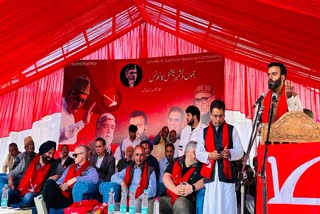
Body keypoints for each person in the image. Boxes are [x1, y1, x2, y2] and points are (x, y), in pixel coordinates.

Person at [196, 100, 244, 214]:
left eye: (220, 116)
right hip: (211, 177)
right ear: (210, 115)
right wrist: (209, 155)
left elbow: (240, 151)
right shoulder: (204, 131)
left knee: (227, 207)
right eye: (215, 116)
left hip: (227, 176)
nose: (218, 119)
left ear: (224, 115)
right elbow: (198, 152)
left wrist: (230, 153)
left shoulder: (232, 130)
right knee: (211, 207)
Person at [149, 141, 204, 214]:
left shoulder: (201, 165)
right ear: (187, 152)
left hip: (187, 199)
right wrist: (174, 189)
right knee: (154, 204)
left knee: (180, 203)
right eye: (194, 152)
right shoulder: (177, 161)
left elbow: (206, 179)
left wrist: (193, 188)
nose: (197, 155)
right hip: (171, 197)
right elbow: (166, 176)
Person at [7, 140, 64, 208]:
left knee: (28, 197)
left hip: (36, 193)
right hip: (20, 190)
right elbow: (14, 172)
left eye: (53, 153)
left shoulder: (55, 165)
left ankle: (17, 209)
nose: (51, 156)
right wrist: (10, 181)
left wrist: (57, 176)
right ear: (43, 152)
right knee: (7, 192)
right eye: (49, 153)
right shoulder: (29, 159)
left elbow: (66, 174)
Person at [42, 145, 99, 209]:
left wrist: (76, 179)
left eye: (75, 155)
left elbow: (95, 179)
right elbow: (60, 181)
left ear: (83, 155)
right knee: (50, 182)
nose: (74, 157)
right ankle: (45, 207)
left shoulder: (90, 169)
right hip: (61, 193)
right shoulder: (70, 167)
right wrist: (61, 186)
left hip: (70, 198)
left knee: (49, 189)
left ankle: (46, 207)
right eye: (73, 155)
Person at [111, 145, 157, 212]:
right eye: (137, 154)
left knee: (137, 203)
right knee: (113, 206)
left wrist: (140, 198)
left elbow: (153, 191)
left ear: (144, 157)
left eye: (141, 155)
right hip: (127, 200)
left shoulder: (150, 170)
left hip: (140, 200)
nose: (139, 157)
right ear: (134, 156)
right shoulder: (129, 169)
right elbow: (113, 177)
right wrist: (122, 182)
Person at [59, 75, 96, 144]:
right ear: (69, 94)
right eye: (77, 99)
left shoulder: (71, 115)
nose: (79, 104)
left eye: (82, 101)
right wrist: (83, 123)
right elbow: (55, 137)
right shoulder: (56, 109)